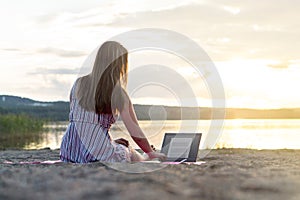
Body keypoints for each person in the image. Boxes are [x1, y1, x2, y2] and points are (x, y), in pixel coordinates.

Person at [60, 41, 166, 163]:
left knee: (118, 146)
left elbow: (84, 125)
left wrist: (111, 142)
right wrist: (150, 152)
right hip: (96, 155)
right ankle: (144, 158)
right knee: (127, 150)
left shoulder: (78, 84)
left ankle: (122, 148)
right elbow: (135, 131)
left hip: (69, 150)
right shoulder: (119, 94)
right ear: (120, 66)